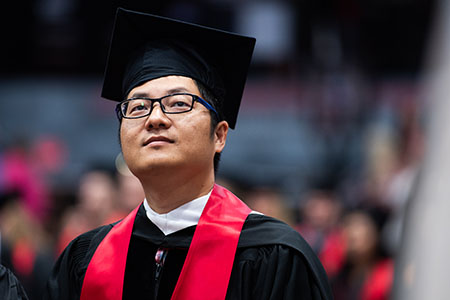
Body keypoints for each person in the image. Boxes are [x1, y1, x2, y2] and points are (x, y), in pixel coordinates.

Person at [44, 7, 333, 300]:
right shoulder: (84, 260)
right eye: (138, 107)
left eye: (179, 103)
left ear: (220, 135)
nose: (155, 118)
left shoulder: (273, 256)